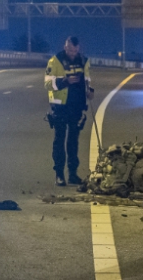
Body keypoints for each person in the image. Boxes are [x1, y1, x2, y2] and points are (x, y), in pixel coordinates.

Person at [44, 36, 94, 186]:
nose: (72, 52)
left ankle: (73, 173)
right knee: (59, 140)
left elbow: (87, 80)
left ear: (79, 48)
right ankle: (59, 174)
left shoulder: (83, 61)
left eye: (75, 50)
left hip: (76, 106)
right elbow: (47, 83)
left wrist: (90, 91)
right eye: (70, 49)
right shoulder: (55, 61)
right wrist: (64, 81)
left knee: (73, 141)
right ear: (65, 47)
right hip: (60, 107)